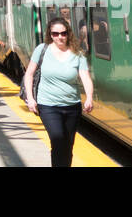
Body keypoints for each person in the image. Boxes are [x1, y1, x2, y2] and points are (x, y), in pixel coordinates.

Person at [22, 16, 94, 167]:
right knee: (57, 139)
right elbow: (29, 74)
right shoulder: (42, 49)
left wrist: (89, 97)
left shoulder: (77, 54)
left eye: (63, 33)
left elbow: (85, 77)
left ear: (68, 34)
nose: (60, 37)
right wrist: (30, 97)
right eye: (55, 34)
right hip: (48, 105)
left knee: (67, 146)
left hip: (72, 106)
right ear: (50, 34)